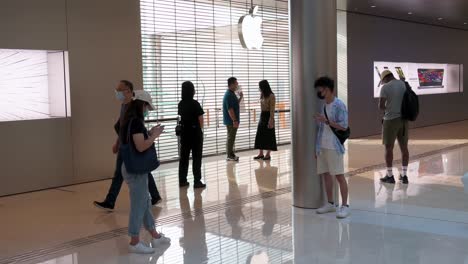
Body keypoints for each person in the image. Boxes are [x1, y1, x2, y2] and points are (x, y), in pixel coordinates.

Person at [93, 80, 161, 211]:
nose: (117, 92)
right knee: (138, 171)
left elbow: (132, 133)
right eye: (116, 89)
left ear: (129, 91)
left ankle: (111, 201)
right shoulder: (127, 109)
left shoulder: (134, 111)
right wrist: (118, 143)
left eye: (120, 89)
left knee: (130, 173)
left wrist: (151, 135)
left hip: (129, 148)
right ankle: (153, 196)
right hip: (126, 147)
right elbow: (123, 129)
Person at [120, 90, 170, 253]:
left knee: (145, 202)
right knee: (138, 205)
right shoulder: (135, 122)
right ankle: (134, 241)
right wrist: (154, 136)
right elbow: (141, 146)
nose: (148, 110)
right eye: (148, 106)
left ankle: (154, 235)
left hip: (132, 167)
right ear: (142, 104)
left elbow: (136, 142)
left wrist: (148, 133)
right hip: (135, 170)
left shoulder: (129, 120)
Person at [314, 77, 350, 219]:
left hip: (334, 147)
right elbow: (322, 129)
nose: (319, 93)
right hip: (322, 146)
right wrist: (316, 148)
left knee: (339, 176)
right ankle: (330, 203)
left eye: (320, 90)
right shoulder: (324, 106)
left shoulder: (339, 105)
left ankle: (345, 206)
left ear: (327, 89)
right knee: (326, 175)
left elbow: (344, 125)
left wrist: (327, 121)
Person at [378, 70, 410, 184]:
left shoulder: (385, 87)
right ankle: (404, 175)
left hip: (390, 121)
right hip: (404, 120)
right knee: (404, 148)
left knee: (388, 148)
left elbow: (381, 106)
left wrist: (389, 106)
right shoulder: (402, 84)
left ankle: (390, 175)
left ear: (385, 78)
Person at [178, 81, 206, 189]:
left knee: (184, 158)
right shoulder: (195, 103)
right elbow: (200, 119)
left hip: (185, 134)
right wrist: (200, 129)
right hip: (195, 134)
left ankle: (182, 180)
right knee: (196, 157)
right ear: (192, 91)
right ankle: (197, 181)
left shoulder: (181, 103)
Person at [253, 80, 277, 160]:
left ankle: (268, 154)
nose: (259, 88)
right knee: (260, 134)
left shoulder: (271, 96)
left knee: (269, 135)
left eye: (260, 87)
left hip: (268, 116)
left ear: (263, 87)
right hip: (262, 115)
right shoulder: (262, 95)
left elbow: (272, 110)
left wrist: (271, 120)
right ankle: (260, 153)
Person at [223, 77, 243, 162]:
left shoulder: (232, 93)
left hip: (232, 120)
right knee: (231, 137)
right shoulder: (228, 95)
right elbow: (230, 109)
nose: (237, 85)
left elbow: (235, 104)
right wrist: (234, 120)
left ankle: (231, 154)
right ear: (231, 84)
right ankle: (229, 155)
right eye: (236, 83)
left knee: (231, 137)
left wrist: (240, 97)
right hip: (231, 121)